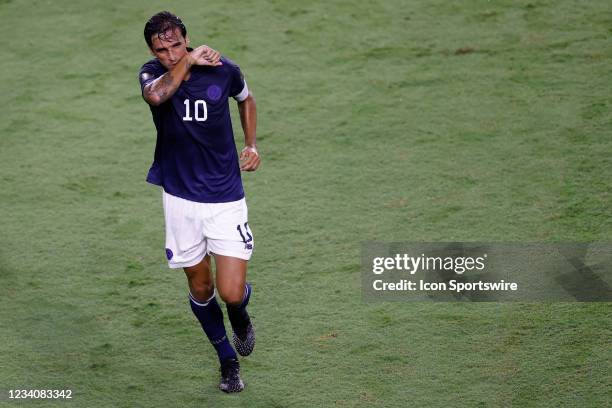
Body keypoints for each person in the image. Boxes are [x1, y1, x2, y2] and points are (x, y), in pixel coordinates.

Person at [138, 11, 260, 393]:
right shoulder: (152, 75)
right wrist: (187, 62)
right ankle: (227, 361)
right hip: (179, 200)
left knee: (230, 292)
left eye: (177, 46)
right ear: (152, 50)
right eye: (162, 49)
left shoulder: (223, 69)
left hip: (225, 197)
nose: (171, 54)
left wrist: (251, 144)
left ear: (186, 38)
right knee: (202, 289)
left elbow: (246, 98)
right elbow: (157, 96)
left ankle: (240, 314)